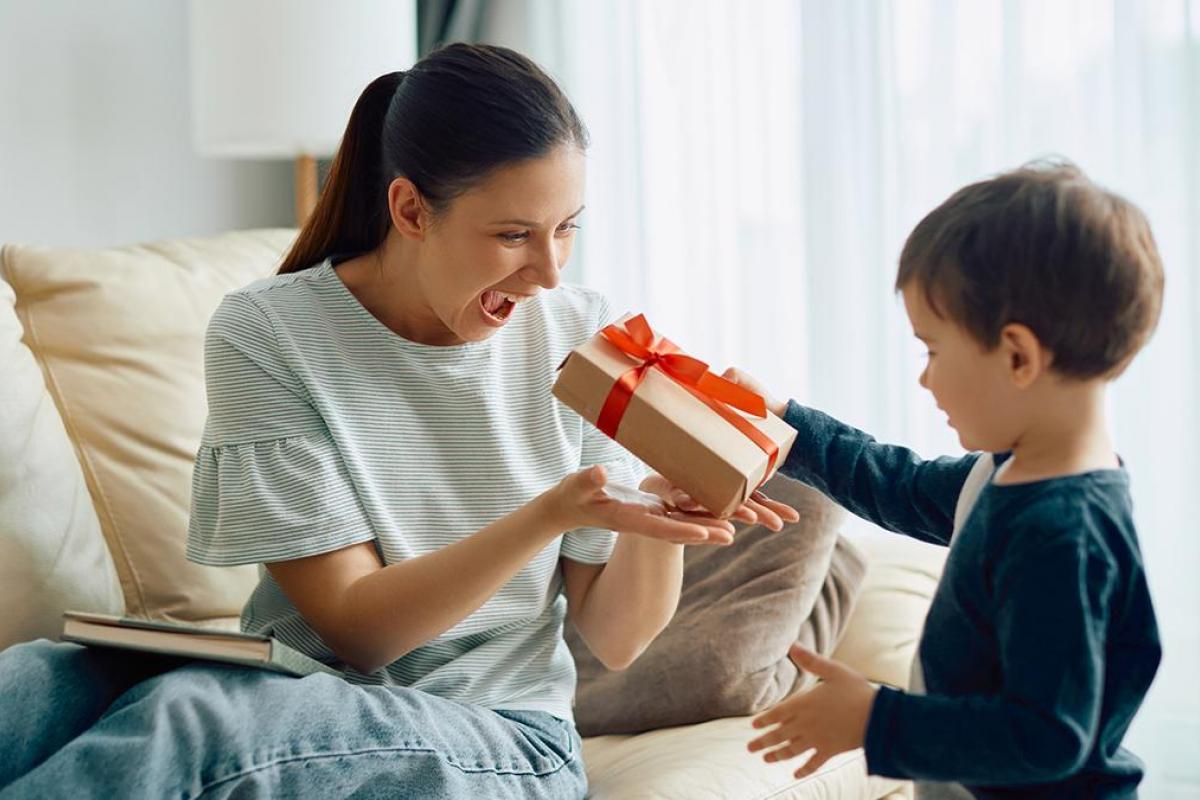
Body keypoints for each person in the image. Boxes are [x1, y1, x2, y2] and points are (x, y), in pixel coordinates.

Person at [0, 43, 797, 798]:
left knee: (196, 720)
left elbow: (617, 639)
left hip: (503, 738)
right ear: (411, 209)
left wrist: (660, 512)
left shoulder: (583, 340)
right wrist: (552, 511)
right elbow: (357, 630)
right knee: (30, 684)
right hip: (292, 684)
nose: (551, 273)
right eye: (514, 235)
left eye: (566, 229)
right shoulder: (269, 332)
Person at [731, 162, 1162, 798]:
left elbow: (1046, 735)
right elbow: (897, 483)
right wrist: (789, 425)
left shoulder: (1062, 532)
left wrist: (878, 721)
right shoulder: (1011, 470)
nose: (924, 378)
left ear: (1017, 356)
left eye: (932, 349)